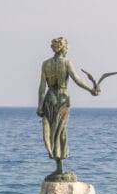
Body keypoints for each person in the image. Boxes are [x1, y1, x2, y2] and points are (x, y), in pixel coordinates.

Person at [37, 36, 99, 178]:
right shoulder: (66, 63)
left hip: (49, 99)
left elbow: (42, 87)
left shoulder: (46, 64)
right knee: (61, 131)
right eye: (67, 48)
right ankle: (60, 168)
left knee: (53, 131)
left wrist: (40, 105)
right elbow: (77, 79)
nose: (67, 50)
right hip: (62, 99)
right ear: (63, 48)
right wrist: (91, 90)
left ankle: (58, 166)